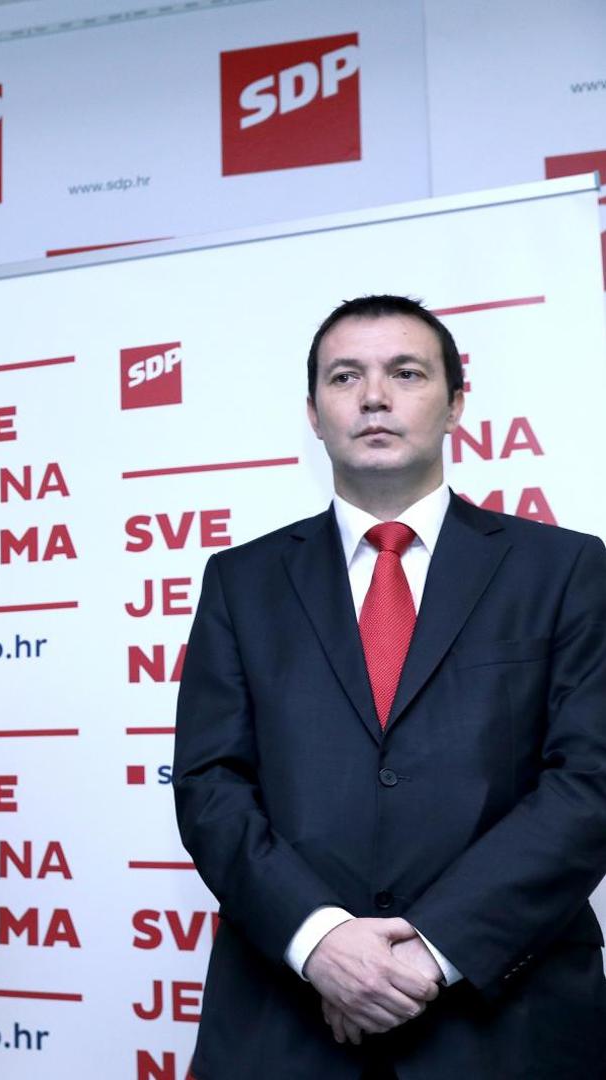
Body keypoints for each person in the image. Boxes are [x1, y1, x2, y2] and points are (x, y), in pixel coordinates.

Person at [174, 294, 606, 1078]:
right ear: (314, 414)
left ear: (457, 404)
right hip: (286, 1023)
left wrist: (430, 953)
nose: (374, 396)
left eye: (406, 373)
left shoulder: (567, 569)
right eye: (345, 377)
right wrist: (320, 941)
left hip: (508, 1021)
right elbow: (210, 785)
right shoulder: (240, 582)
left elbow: (590, 783)